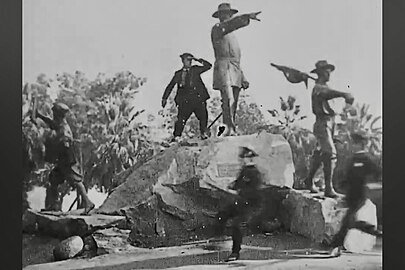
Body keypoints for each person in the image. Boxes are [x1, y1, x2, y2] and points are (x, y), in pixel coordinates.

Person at [305, 60, 355, 198]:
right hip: (322, 123)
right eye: (326, 71)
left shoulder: (325, 87)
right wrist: (344, 94)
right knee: (329, 152)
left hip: (331, 122)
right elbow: (326, 94)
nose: (329, 74)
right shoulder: (318, 88)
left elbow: (329, 96)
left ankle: (309, 180)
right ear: (320, 73)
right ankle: (328, 188)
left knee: (320, 154)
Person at [34, 102, 95, 215]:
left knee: (76, 180)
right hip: (62, 160)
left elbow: (63, 144)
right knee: (53, 179)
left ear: (58, 114)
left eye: (54, 112)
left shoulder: (64, 129)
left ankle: (88, 202)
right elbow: (51, 122)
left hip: (67, 160)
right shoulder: (59, 123)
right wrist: (40, 116)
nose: (52, 114)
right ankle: (53, 205)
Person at [211, 3, 261, 136]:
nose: (228, 17)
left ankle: (231, 127)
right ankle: (228, 128)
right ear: (220, 16)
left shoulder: (232, 36)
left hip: (235, 70)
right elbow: (229, 25)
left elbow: (236, 59)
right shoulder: (217, 29)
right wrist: (245, 17)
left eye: (229, 14)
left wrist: (243, 77)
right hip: (224, 68)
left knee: (234, 102)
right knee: (228, 99)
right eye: (225, 14)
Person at [329, 131, 382, 256]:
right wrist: (342, 185)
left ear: (362, 145)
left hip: (359, 196)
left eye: (356, 143)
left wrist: (371, 186)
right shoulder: (352, 159)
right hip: (351, 196)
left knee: (346, 222)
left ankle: (336, 247)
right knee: (352, 222)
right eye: (354, 143)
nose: (353, 145)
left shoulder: (366, 159)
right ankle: (377, 232)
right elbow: (347, 178)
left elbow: (378, 173)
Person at [213, 146, 263, 262]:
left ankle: (235, 252)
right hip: (241, 203)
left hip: (252, 206)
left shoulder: (255, 173)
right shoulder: (245, 171)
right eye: (244, 158)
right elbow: (237, 184)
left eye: (247, 158)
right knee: (222, 214)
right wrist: (229, 185)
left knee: (237, 225)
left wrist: (237, 191)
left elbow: (253, 192)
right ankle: (217, 240)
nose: (244, 160)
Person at [161, 53, 212, 141]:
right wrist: (164, 98)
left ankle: (203, 133)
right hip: (185, 101)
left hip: (198, 99)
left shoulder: (195, 69)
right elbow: (170, 86)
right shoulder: (178, 74)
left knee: (203, 116)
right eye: (187, 60)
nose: (190, 62)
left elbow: (208, 66)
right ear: (183, 61)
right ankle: (176, 136)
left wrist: (198, 59)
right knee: (181, 119)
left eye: (190, 60)